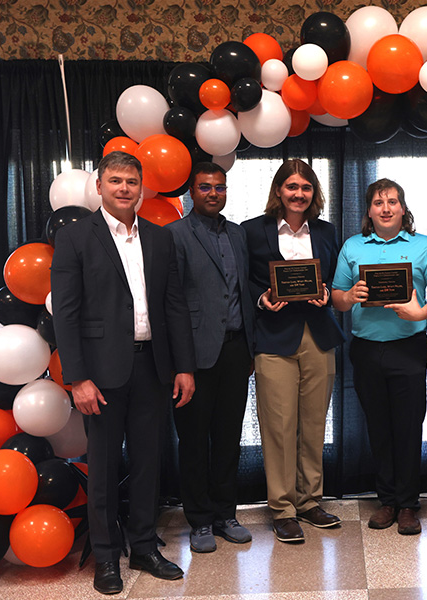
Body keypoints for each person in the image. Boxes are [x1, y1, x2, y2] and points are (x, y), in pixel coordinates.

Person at [50, 151, 196, 595]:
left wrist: (184, 367)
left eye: (132, 181)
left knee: (150, 463)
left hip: (153, 366)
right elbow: (66, 314)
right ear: (99, 186)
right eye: (115, 180)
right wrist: (77, 378)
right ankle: (107, 556)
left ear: (141, 188)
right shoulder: (76, 238)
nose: (124, 188)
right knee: (104, 467)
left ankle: (145, 547)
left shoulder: (159, 238)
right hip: (100, 373)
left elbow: (174, 305)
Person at [331, 178, 427, 536]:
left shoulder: (423, 246)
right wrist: (349, 296)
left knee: (408, 426)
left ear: (403, 208)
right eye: (378, 203)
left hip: (408, 349)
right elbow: (337, 298)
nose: (386, 208)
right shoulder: (353, 246)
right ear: (369, 211)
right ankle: (386, 500)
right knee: (378, 427)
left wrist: (421, 313)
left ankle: (408, 504)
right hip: (366, 350)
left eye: (392, 202)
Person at [241, 159, 345, 543]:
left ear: (314, 192)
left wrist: (326, 292)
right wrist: (262, 297)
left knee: (314, 424)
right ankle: (283, 509)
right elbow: (243, 281)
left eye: (306, 187)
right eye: (292, 187)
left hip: (318, 335)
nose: (299, 194)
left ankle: (310, 501)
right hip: (273, 338)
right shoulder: (252, 230)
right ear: (279, 191)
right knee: (279, 427)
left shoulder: (327, 231)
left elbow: (334, 278)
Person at [165, 163, 256, 553]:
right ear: (191, 192)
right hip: (194, 356)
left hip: (236, 350)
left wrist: (251, 347)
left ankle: (225, 514)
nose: (213, 193)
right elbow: (170, 301)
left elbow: (242, 289)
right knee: (193, 441)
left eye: (220, 187)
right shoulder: (174, 235)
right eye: (205, 187)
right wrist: (180, 364)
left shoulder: (238, 234)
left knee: (228, 439)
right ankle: (199, 520)